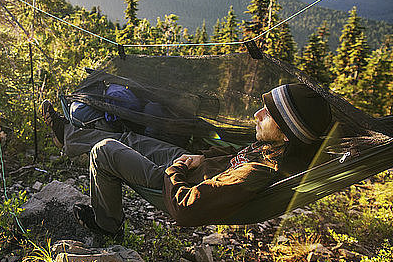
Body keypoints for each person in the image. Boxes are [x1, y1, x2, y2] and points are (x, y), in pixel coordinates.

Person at [42, 83, 332, 238]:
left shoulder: (257, 172)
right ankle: (67, 135)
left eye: (268, 114)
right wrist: (201, 157)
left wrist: (178, 169)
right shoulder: (274, 149)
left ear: (286, 134)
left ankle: (108, 225)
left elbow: (186, 209)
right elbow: (232, 162)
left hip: (176, 184)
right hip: (193, 168)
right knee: (129, 139)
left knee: (106, 150)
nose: (257, 114)